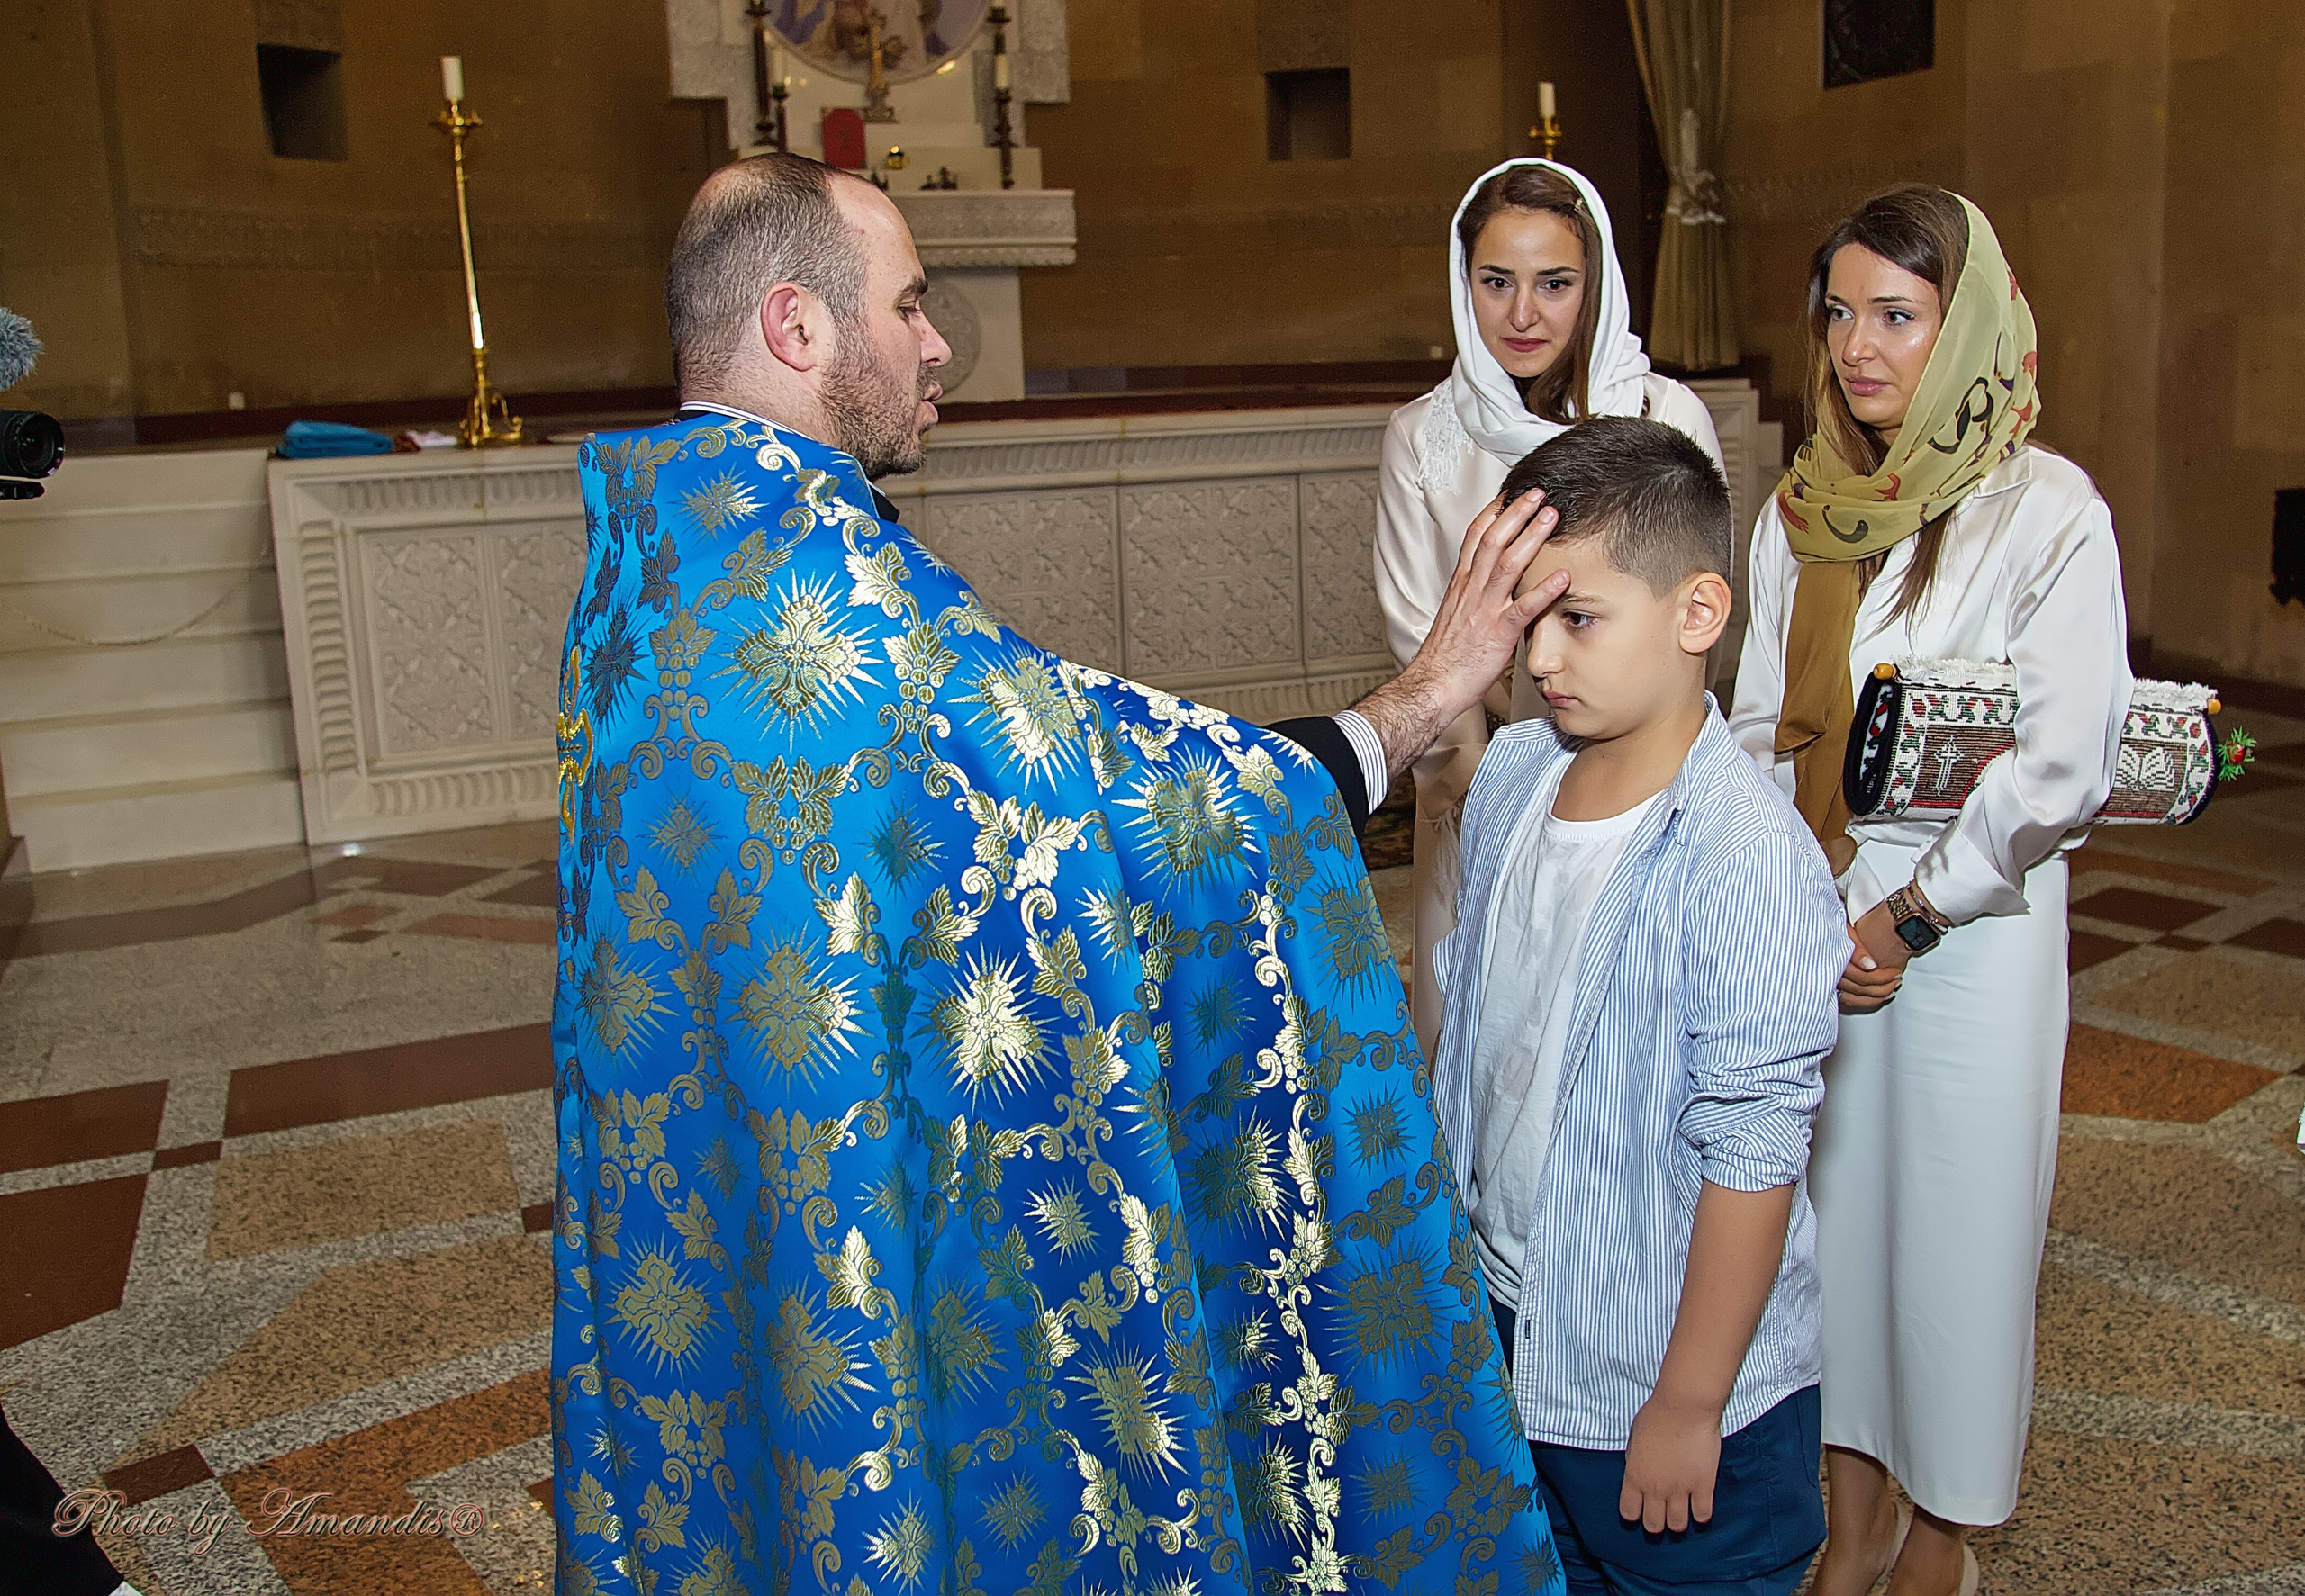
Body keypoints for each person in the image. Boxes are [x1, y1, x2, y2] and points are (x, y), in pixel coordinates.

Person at [548, 153, 1572, 1596]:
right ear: (796, 328)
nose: (935, 342)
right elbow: (1134, 804)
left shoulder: (645, 568)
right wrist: (1415, 704)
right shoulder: (838, 604)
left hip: (730, 1202)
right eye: (907, 308)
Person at [1726, 185, 2129, 1596]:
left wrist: (1908, 916)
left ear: (1966, 324)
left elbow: (2062, 765)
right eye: (1839, 312)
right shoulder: (1800, 513)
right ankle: (1850, 1525)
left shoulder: (2046, 512)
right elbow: (1759, 724)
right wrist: (1783, 905)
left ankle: (1942, 1538)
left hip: (1968, 940)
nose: (1858, 347)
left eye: (1897, 314)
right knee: (1831, 1239)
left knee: (1957, 1241)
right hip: (1816, 924)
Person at [1433, 418, 1847, 1596]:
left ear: (1697, 614)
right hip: (1517, 1326)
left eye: (1579, 617)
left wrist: (1690, 1398)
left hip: (1673, 1380)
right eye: (1527, 616)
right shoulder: (1516, 774)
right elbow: (1473, 1023)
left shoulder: (1744, 856)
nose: (1542, 654)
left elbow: (1754, 1155)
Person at [1377, 158, 1727, 1053]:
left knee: (1629, 1063)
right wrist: (1503, 818)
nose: (1522, 315)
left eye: (1554, 284)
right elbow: (1430, 659)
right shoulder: (1424, 435)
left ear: (1595, 283)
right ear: (1463, 287)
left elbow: (1694, 629)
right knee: (1483, 1057)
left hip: (1646, 793)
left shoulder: (1666, 415)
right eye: (1496, 283)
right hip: (1477, 802)